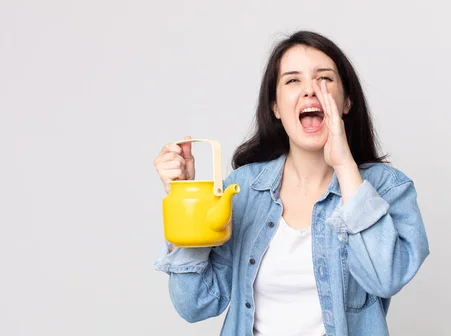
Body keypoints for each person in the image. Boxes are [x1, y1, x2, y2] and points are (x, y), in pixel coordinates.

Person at [152, 30, 430, 336]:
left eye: (324, 78)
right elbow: (195, 305)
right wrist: (185, 204)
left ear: (347, 102)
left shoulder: (388, 188)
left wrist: (344, 165)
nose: (310, 90)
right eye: (293, 80)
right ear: (275, 107)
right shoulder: (243, 189)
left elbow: (385, 278)